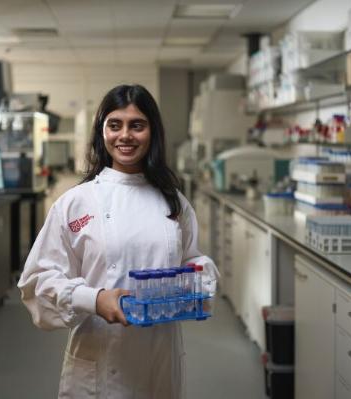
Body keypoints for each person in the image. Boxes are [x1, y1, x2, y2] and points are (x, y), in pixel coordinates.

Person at [18, 84, 219, 398]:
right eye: (115, 125)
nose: (125, 135)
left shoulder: (172, 201)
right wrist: (95, 300)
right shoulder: (75, 203)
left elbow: (190, 259)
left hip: (159, 357)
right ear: (102, 132)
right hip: (100, 360)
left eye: (137, 125)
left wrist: (201, 273)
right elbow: (37, 282)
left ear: (152, 132)